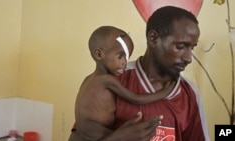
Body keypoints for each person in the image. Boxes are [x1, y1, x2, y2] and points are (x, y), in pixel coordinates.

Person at [69, 6, 210, 141]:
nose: (188, 58)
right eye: (180, 47)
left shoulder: (190, 93)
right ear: (153, 38)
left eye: (192, 48)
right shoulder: (114, 78)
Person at [68, 25, 175, 141]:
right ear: (99, 54)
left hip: (83, 131)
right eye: (120, 56)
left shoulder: (88, 79)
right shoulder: (106, 80)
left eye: (127, 57)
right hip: (95, 132)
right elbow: (136, 99)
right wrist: (165, 92)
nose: (125, 62)